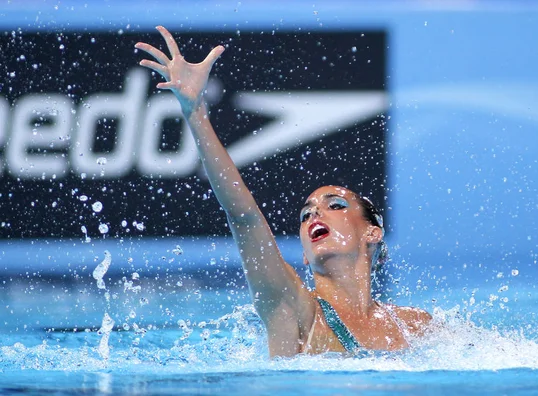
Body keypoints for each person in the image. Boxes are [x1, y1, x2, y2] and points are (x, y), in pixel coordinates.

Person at [135, 26, 431, 357]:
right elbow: (243, 216)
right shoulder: (294, 307)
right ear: (304, 254)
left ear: (372, 232)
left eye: (335, 205)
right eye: (306, 214)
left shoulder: (415, 325)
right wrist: (195, 113)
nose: (315, 214)